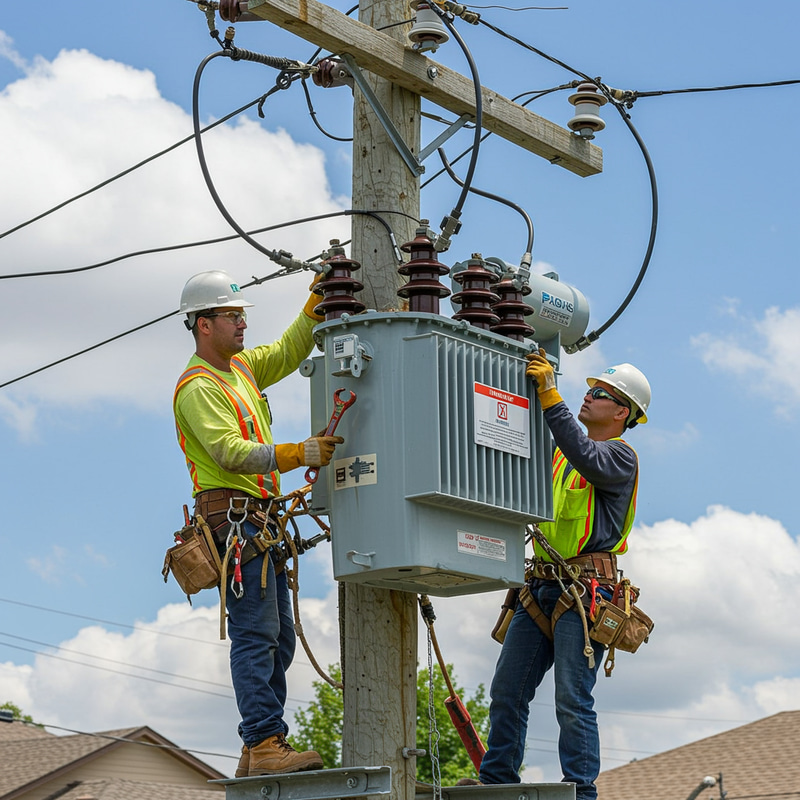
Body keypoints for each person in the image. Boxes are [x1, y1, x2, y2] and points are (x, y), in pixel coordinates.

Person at [173, 269, 343, 777]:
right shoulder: (198, 387)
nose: (242, 323)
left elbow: (290, 350)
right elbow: (229, 452)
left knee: (280, 639)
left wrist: (319, 299)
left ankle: (255, 749)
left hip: (259, 524)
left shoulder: (241, 369)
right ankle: (267, 742)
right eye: (232, 315)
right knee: (256, 636)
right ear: (204, 325)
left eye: (242, 314)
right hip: (234, 524)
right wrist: (300, 452)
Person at [474, 349, 651, 799]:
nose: (587, 397)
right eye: (588, 390)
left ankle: (581, 791)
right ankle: (497, 782)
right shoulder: (556, 457)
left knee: (572, 699)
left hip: (586, 591)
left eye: (600, 393)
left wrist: (551, 395)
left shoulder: (619, 459)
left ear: (623, 412)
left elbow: (584, 453)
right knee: (506, 690)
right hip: (540, 586)